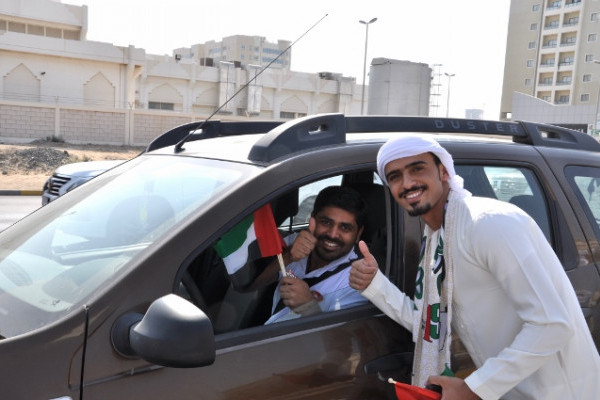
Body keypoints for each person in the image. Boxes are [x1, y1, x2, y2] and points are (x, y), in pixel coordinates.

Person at [349, 135, 600, 400]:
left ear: (443, 171)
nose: (407, 183)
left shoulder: (489, 223)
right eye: (395, 176)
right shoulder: (437, 237)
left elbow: (552, 324)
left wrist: (475, 388)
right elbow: (430, 323)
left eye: (417, 168)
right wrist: (374, 284)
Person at [254, 185, 369, 324]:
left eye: (345, 227)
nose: (332, 234)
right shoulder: (294, 243)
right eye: (326, 222)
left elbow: (342, 341)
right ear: (312, 220)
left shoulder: (359, 280)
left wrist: (309, 308)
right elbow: (253, 284)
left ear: (358, 234)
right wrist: (288, 256)